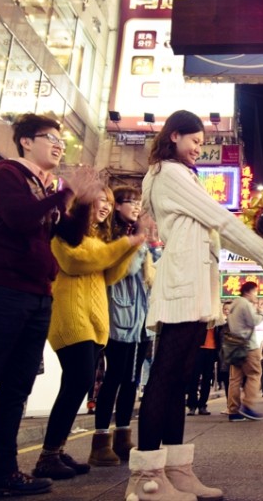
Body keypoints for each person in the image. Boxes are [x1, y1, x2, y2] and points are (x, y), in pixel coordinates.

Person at [126, 110, 263, 501]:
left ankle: (176, 471)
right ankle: (147, 481)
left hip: (189, 287)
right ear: (174, 136)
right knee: (166, 377)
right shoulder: (170, 173)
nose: (198, 148)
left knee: (177, 379)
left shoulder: (172, 174)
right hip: (182, 289)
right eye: (194, 140)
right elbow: (221, 220)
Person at [0, 113, 100, 501]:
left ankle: (1, 473)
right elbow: (20, 219)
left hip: (39, 296)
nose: (59, 145)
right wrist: (66, 193)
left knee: (15, 390)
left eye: (62, 141)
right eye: (50, 138)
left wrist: (83, 201)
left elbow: (70, 238)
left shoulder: (49, 186)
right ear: (26, 142)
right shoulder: (6, 175)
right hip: (1, 295)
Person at [34, 183, 143, 479]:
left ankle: (55, 450)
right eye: (99, 201)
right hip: (70, 317)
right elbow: (77, 261)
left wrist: (129, 249)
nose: (105, 206)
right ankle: (47, 455)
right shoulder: (66, 232)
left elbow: (110, 275)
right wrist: (123, 245)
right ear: (83, 204)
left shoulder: (99, 238)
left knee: (75, 385)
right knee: (80, 381)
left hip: (95, 322)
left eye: (107, 201)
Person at [90, 186, 155, 467]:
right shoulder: (114, 236)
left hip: (141, 320)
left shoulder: (136, 236)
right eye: (131, 202)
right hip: (120, 316)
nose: (137, 206)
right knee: (114, 379)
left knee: (131, 381)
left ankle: (123, 435)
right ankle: (101, 439)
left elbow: (151, 273)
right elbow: (125, 270)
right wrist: (139, 241)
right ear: (117, 206)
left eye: (139, 202)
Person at [226, 281, 263, 421]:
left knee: (235, 379)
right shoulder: (245, 304)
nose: (256, 295)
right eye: (255, 292)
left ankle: (233, 411)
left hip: (235, 346)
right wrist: (261, 312)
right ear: (248, 292)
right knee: (255, 374)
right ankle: (247, 406)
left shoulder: (233, 305)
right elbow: (253, 321)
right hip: (248, 346)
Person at [187, 325, 220, 416]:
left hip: (212, 349)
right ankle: (192, 405)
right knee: (194, 378)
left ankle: (202, 405)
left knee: (207, 378)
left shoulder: (216, 316)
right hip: (198, 348)